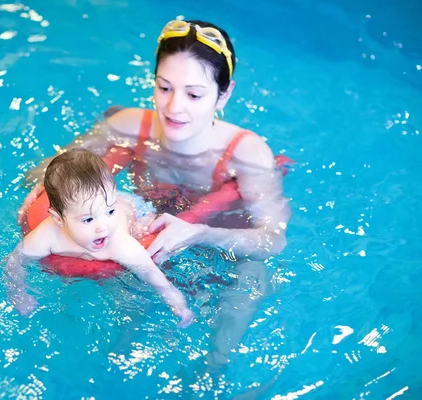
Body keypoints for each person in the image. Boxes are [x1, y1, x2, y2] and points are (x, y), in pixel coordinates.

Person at [16, 19, 292, 366]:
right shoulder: (129, 126)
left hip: (215, 250)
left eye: (194, 94)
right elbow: (48, 171)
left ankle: (215, 365)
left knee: (254, 277)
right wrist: (43, 187)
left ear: (225, 94)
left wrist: (200, 234)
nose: (174, 107)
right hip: (138, 237)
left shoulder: (246, 153)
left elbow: (274, 240)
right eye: (164, 88)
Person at [4, 149, 195, 328]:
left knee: (141, 226)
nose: (103, 227)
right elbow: (15, 261)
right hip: (100, 201)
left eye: (110, 212)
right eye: (87, 219)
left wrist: (177, 303)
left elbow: (153, 275)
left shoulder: (120, 243)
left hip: (130, 207)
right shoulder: (47, 235)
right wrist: (18, 293)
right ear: (58, 219)